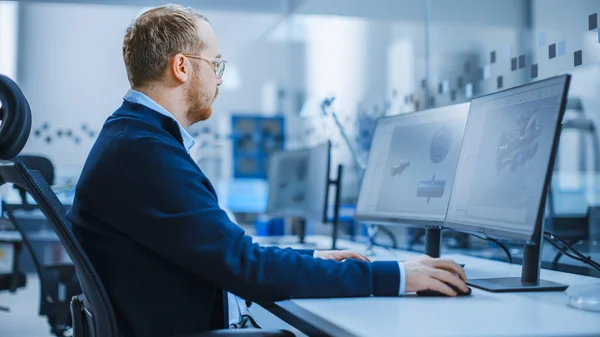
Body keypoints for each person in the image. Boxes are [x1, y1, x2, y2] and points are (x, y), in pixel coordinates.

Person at [66, 4, 468, 337]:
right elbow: (247, 267)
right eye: (216, 65)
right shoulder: (144, 151)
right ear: (183, 67)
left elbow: (231, 255)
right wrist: (394, 276)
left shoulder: (134, 138)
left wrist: (315, 258)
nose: (219, 81)